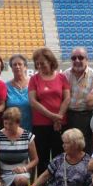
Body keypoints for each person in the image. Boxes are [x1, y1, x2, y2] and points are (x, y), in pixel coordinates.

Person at [23, 128, 91, 186]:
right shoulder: (60, 158)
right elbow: (45, 175)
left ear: (75, 145)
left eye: (66, 143)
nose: (63, 145)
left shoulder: (87, 162)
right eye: (63, 143)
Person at [28, 47, 70, 176]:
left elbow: (67, 98)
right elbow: (33, 101)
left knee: (59, 156)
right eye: (37, 63)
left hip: (59, 124)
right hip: (40, 125)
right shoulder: (34, 79)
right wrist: (53, 116)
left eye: (42, 63)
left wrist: (59, 117)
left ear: (51, 61)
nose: (40, 66)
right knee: (42, 158)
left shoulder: (62, 77)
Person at [63, 46, 93, 154]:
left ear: (87, 59)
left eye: (81, 57)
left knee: (84, 149)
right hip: (68, 116)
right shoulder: (65, 75)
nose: (77, 61)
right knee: (67, 148)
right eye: (74, 58)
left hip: (86, 117)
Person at [0, 107, 38, 186]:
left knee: (21, 180)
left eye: (11, 124)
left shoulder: (28, 136)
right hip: (4, 174)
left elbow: (35, 159)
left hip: (22, 174)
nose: (7, 127)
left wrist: (24, 168)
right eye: (5, 123)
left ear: (18, 123)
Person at [5, 54, 32, 132]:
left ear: (25, 67)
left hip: (32, 128)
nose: (17, 66)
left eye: (20, 64)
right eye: (14, 65)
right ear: (11, 68)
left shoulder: (33, 84)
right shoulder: (6, 86)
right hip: (11, 129)